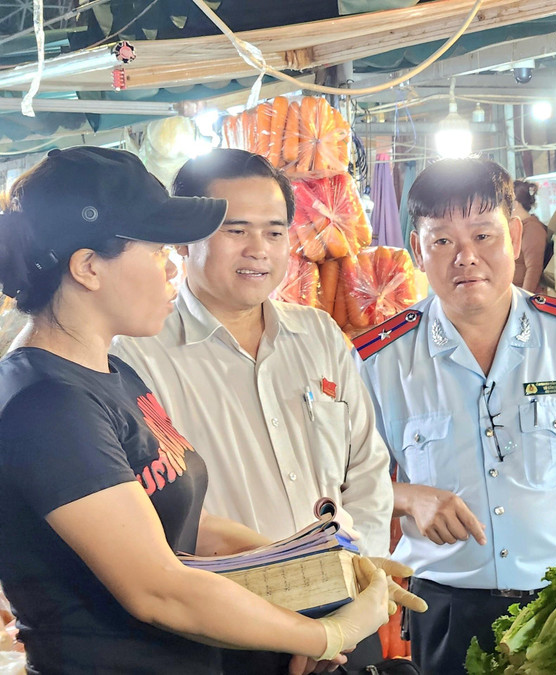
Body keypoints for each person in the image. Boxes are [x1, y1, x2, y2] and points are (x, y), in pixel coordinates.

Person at [0, 146, 389, 675]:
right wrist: (323, 634)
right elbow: (158, 590)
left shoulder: (111, 375)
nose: (171, 268)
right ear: (89, 267)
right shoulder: (45, 403)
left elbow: (189, 524)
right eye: (157, 251)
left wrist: (325, 564)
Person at [353, 157, 556, 675]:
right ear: (418, 249)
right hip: (448, 608)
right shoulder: (379, 361)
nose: (466, 258)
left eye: (483, 235)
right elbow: (342, 484)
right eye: (442, 241)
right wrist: (408, 496)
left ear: (516, 235)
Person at [111, 149, 417, 673]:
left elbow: (366, 469)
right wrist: (296, 621)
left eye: (275, 232)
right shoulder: (135, 353)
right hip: (226, 631)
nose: (259, 251)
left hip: (347, 617)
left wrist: (342, 595)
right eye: (236, 231)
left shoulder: (318, 334)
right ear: (186, 236)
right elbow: (159, 517)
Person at [511, 179, 549, 293]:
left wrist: (525, 299)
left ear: (514, 204)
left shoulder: (532, 229)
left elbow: (534, 268)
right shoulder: (518, 225)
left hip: (523, 295)